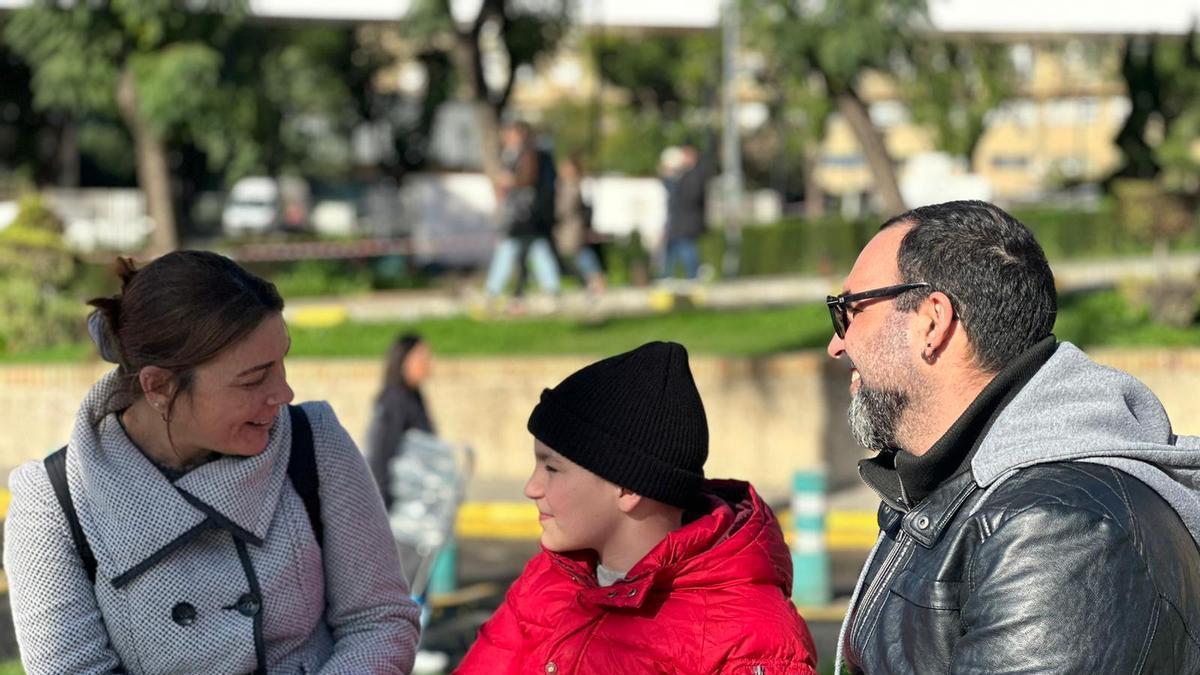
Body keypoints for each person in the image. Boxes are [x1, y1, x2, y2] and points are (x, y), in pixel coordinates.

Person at [826, 200, 1200, 673]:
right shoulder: (951, 483)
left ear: (932, 322)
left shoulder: (1057, 529)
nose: (836, 344)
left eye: (849, 310)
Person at [3, 251, 420, 674]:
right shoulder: (52, 504)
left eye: (282, 363)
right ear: (159, 386)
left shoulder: (314, 441)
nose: (285, 393)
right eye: (254, 379)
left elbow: (379, 621)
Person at [456, 341, 817, 674]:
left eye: (551, 468)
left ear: (627, 486)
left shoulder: (751, 635)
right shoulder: (545, 580)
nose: (531, 488)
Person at [483, 121, 561, 305]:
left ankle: (493, 290)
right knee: (536, 249)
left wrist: (510, 181)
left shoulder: (528, 154)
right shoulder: (517, 154)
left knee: (509, 248)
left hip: (523, 212)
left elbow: (527, 179)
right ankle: (551, 287)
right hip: (523, 212)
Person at [365, 333, 436, 512]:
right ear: (403, 361)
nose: (428, 362)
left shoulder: (413, 397)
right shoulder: (394, 401)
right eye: (421, 357)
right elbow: (381, 456)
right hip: (398, 507)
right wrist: (383, 510)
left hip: (417, 501)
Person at [552, 155, 605, 295]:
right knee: (577, 255)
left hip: (572, 227)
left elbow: (565, 208)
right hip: (570, 228)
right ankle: (590, 281)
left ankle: (596, 279)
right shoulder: (566, 184)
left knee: (580, 254)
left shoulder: (573, 185)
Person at [660, 143, 711, 280]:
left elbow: (689, 197)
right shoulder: (686, 174)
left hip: (687, 221)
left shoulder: (694, 174)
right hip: (681, 221)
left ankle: (693, 275)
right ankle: (667, 275)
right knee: (673, 247)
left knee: (686, 248)